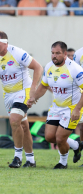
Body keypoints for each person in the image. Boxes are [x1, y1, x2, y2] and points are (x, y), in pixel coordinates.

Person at [0, 31, 43, 168]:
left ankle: (17, 157)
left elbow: (38, 67)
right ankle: (31, 160)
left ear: (5, 43)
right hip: (8, 95)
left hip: (24, 91)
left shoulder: (17, 53)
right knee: (23, 126)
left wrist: (33, 88)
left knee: (14, 120)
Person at [27, 41, 83, 169]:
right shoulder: (49, 66)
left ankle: (63, 162)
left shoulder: (75, 69)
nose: (54, 56)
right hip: (56, 107)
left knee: (60, 138)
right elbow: (43, 86)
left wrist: (78, 109)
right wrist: (33, 97)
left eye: (57, 53)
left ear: (65, 54)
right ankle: (76, 145)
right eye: (52, 53)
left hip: (72, 108)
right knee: (49, 137)